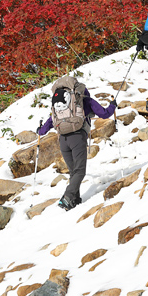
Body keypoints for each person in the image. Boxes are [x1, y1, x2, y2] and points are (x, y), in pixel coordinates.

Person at [36, 77, 116, 211]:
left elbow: (48, 125)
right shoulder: (85, 100)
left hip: (62, 140)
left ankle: (75, 200)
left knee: (74, 172)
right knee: (80, 171)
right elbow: (104, 114)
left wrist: (40, 130)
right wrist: (113, 105)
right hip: (77, 138)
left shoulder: (60, 106)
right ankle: (67, 197)